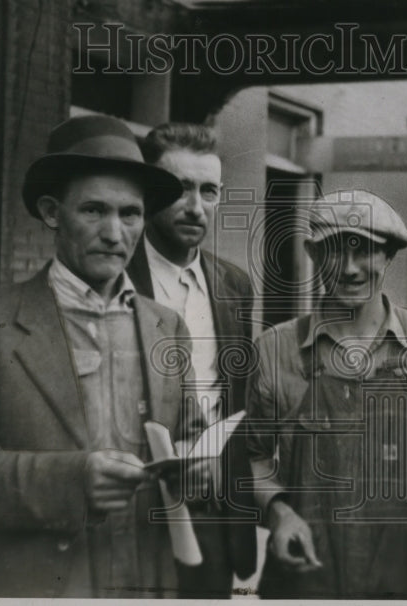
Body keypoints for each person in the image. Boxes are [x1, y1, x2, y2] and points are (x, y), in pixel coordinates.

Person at [0, 114, 208, 598]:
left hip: (144, 582)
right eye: (94, 211)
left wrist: (201, 470)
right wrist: (71, 481)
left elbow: (190, 437)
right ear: (52, 212)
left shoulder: (167, 326)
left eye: (130, 214)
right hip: (33, 585)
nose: (114, 233)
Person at [245, 189, 407, 599]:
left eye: (365, 251)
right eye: (334, 251)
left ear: (388, 257)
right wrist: (278, 513)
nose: (349, 269)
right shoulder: (274, 348)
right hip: (302, 579)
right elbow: (253, 456)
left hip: (406, 580)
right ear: (313, 254)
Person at [130, 122, 257, 596]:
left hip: (213, 514)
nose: (196, 207)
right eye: (181, 189)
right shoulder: (116, 276)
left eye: (210, 191)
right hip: (134, 509)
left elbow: (235, 399)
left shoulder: (234, 286)